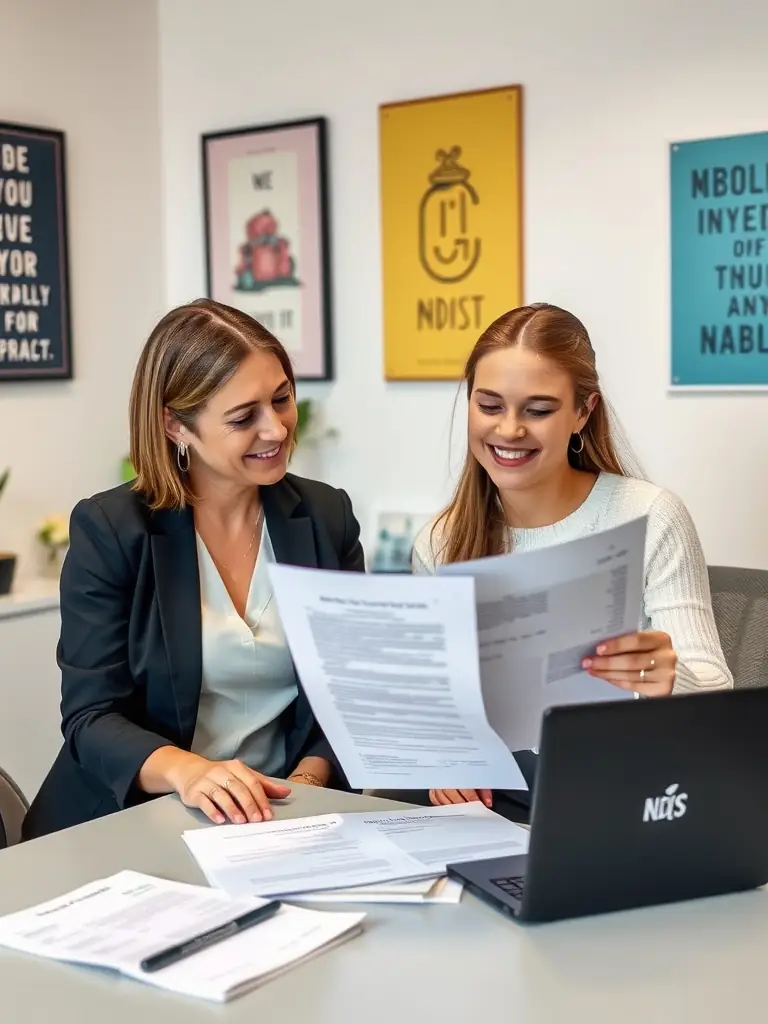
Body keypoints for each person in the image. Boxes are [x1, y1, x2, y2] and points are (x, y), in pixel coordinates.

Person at [23, 299, 364, 840]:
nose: (275, 430)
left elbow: (347, 688)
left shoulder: (326, 517)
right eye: (243, 417)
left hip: (279, 815)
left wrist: (304, 783)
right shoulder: (112, 529)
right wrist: (191, 772)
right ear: (175, 425)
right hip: (132, 821)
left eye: (282, 399)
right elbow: (91, 719)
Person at [411, 302, 732, 812]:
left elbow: (718, 698)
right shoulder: (441, 540)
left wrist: (667, 678)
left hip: (624, 796)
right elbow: (442, 706)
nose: (509, 430)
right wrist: (446, 758)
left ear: (584, 411)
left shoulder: (651, 516)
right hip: (496, 804)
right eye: (489, 406)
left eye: (537, 410)